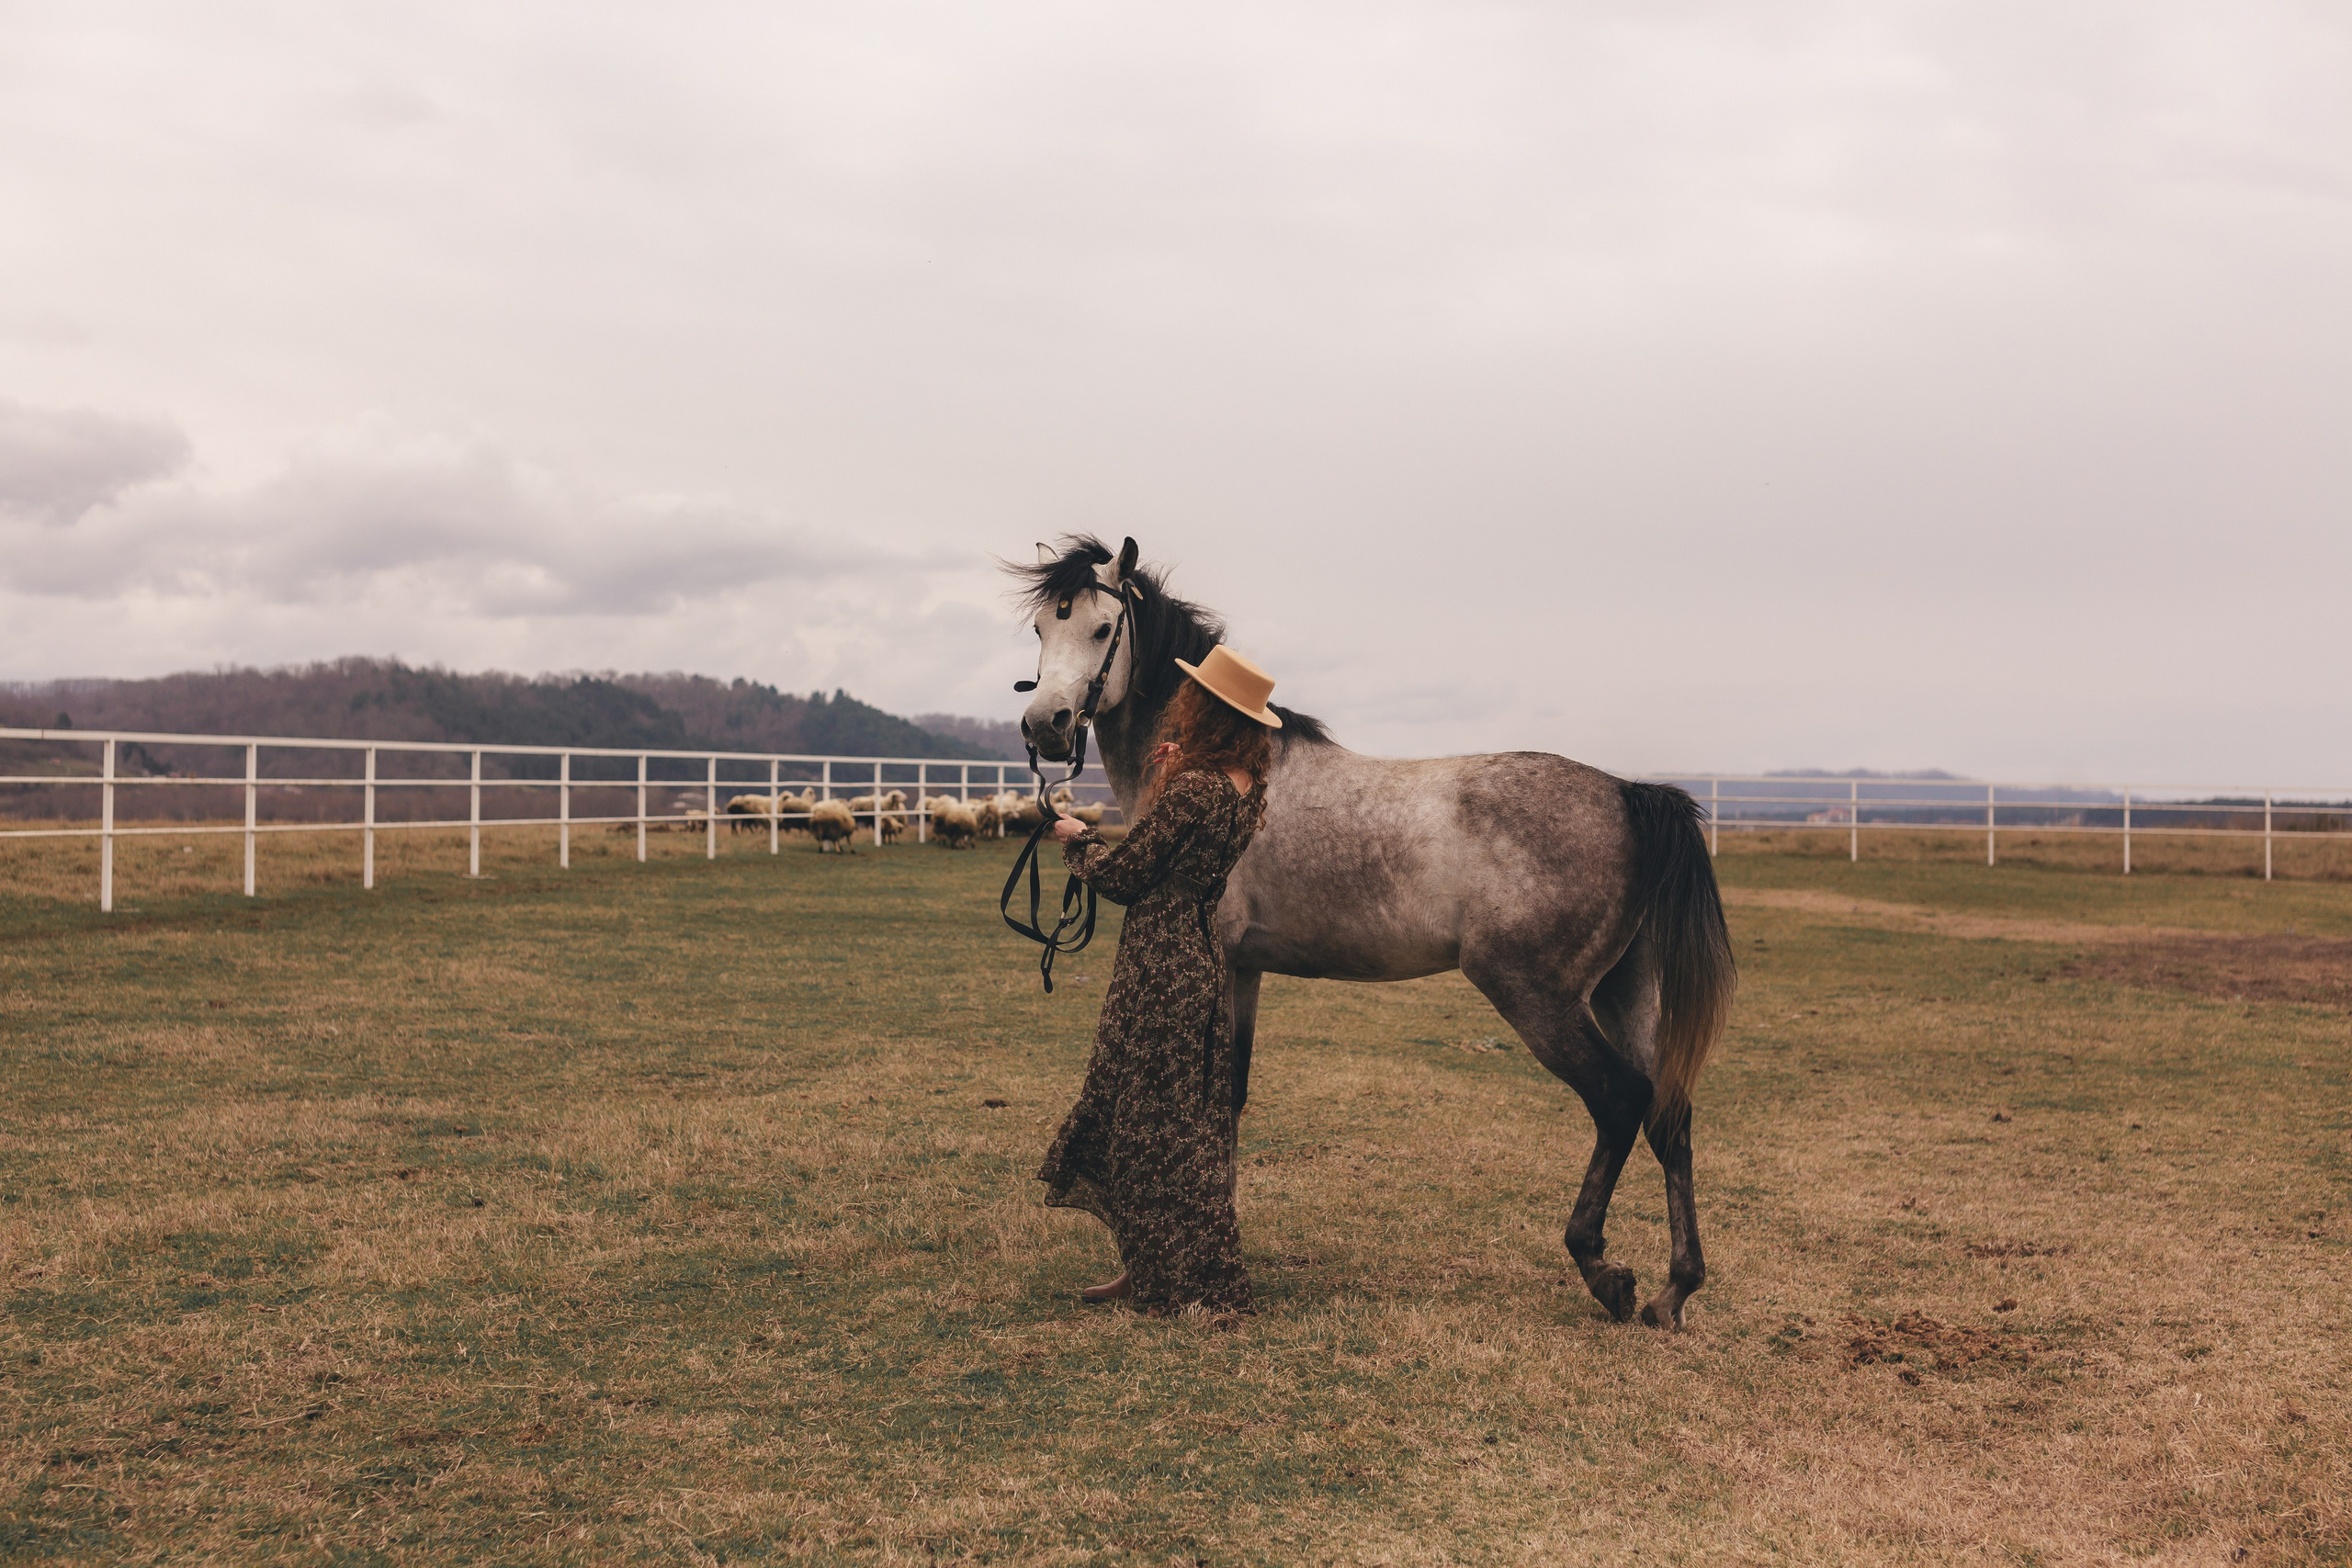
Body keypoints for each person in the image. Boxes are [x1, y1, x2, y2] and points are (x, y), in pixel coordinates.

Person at [1035, 645, 1282, 1314]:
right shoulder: (1242, 787)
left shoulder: (1197, 791)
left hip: (1160, 965)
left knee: (1146, 1119)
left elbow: (1128, 871)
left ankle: (1163, 1273)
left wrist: (1076, 839)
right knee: (1178, 1121)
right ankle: (1150, 1264)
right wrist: (1170, 779)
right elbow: (1175, 851)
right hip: (1198, 959)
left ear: (1207, 710)